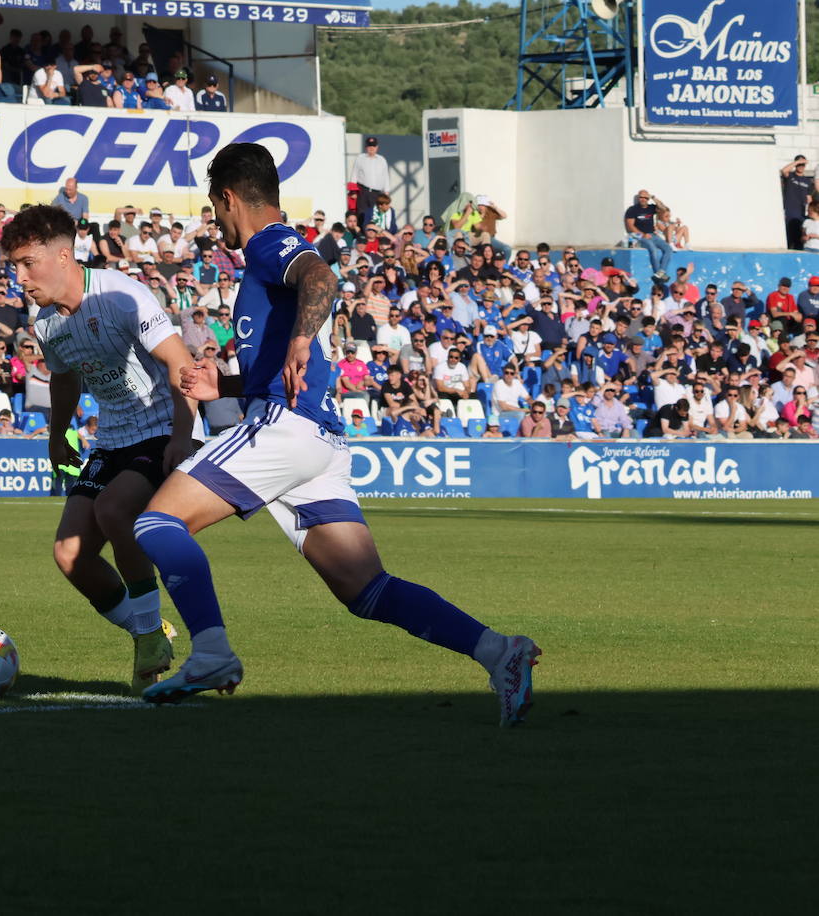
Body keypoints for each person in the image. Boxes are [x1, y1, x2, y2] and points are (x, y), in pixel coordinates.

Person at [130, 142, 539, 726]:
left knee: (156, 522)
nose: (213, 220)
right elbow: (277, 368)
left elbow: (321, 273)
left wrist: (300, 339)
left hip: (286, 429)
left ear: (227, 197)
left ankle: (213, 653)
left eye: (213, 206)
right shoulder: (264, 263)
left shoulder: (269, 242)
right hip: (318, 439)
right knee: (365, 589)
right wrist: (218, 388)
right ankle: (501, 652)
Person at [2, 204, 197, 694]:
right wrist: (57, 434)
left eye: (27, 263)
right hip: (112, 439)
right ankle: (149, 630)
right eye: (14, 266)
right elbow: (64, 377)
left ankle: (150, 636)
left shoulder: (121, 295)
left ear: (63, 256)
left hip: (161, 429)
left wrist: (181, 434)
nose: (19, 277)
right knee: (70, 554)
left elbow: (180, 362)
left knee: (115, 509)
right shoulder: (46, 321)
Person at [624, 189, 672, 281]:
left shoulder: (651, 208)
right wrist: (643, 234)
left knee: (668, 249)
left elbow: (663, 208)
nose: (643, 199)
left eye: (645, 197)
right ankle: (658, 274)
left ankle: (660, 272)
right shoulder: (632, 210)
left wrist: (653, 197)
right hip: (639, 236)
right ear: (638, 198)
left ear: (648, 199)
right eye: (641, 197)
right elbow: (630, 226)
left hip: (652, 235)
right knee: (653, 249)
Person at [780, 155, 816, 251]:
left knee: (799, 241)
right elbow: (783, 171)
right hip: (789, 213)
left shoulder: (808, 181)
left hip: (801, 215)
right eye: (799, 164)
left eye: (803, 165)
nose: (801, 167)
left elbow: (809, 198)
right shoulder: (790, 176)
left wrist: (811, 212)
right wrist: (796, 162)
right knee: (789, 239)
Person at [347, 136, 388, 214]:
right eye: (369, 146)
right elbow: (354, 175)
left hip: (377, 193)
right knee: (362, 214)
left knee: (376, 214)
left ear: (377, 147)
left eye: (373, 146)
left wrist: (386, 193)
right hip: (363, 192)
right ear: (366, 147)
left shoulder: (382, 160)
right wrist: (353, 192)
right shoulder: (360, 158)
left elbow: (385, 177)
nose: (371, 148)